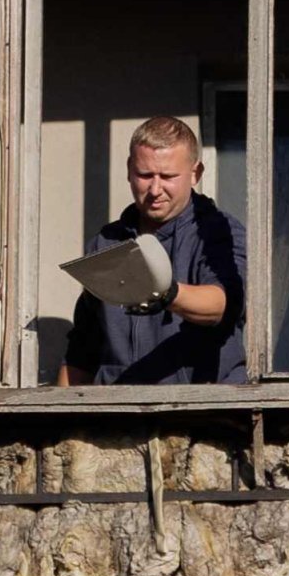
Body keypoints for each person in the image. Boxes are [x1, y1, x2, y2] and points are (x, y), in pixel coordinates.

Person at [60, 117, 245, 385]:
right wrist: (60, 421)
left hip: (199, 413)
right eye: (145, 175)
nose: (155, 189)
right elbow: (82, 349)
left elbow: (224, 304)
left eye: (168, 176)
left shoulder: (220, 233)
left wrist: (167, 294)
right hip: (119, 415)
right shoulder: (106, 242)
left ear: (196, 173)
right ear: (129, 170)